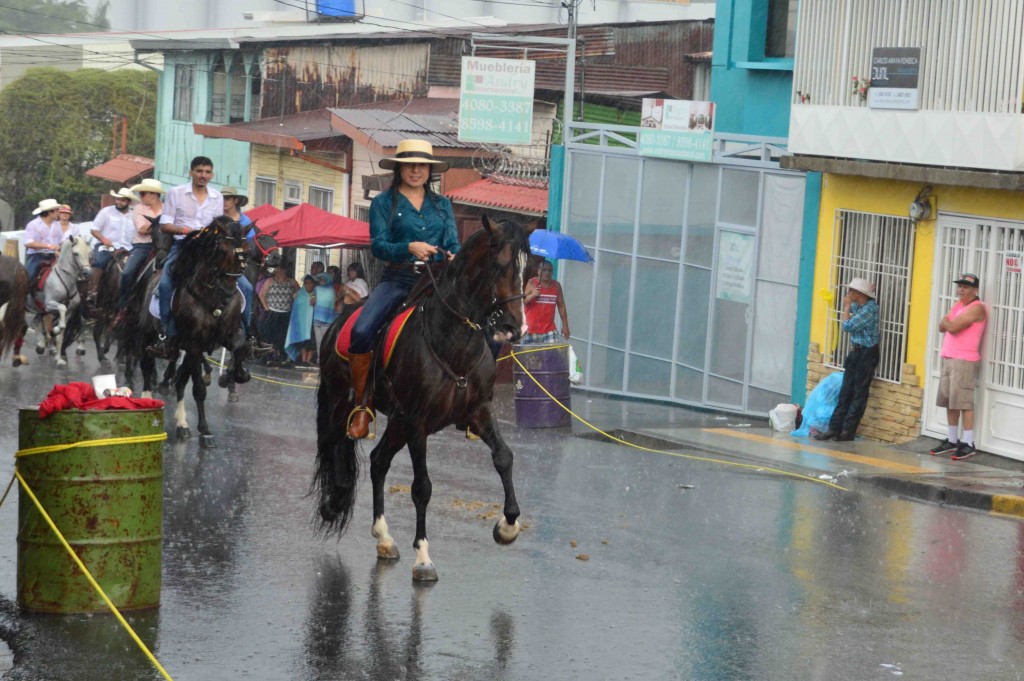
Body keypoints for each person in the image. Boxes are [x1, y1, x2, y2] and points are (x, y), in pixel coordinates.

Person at [346, 138, 459, 439]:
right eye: (410, 165)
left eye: (421, 165)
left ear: (429, 171)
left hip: (437, 281)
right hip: (398, 279)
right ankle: (362, 406)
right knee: (361, 331)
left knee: (480, 324)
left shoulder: (443, 204)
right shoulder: (383, 203)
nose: (416, 170)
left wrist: (452, 255)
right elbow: (379, 246)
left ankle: (472, 404)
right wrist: (408, 246)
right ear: (399, 168)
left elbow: (453, 244)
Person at [147, 156, 223, 358]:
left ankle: (247, 336)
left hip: (209, 249)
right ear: (191, 172)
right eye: (199, 171)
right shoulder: (176, 193)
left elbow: (220, 227)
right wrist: (186, 230)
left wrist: (212, 235)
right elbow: (165, 225)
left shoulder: (217, 197)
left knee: (244, 285)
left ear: (212, 175)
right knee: (165, 284)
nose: (203, 176)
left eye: (207, 172)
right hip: (183, 246)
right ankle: (165, 332)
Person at [814, 277, 880, 442]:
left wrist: (846, 307)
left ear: (860, 293)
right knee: (845, 391)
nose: (849, 293)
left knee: (859, 392)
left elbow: (847, 326)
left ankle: (848, 431)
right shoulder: (861, 305)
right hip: (855, 351)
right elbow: (855, 308)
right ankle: (834, 428)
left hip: (867, 353)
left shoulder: (870, 309)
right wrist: (851, 304)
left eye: (852, 291)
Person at [929, 273, 987, 460]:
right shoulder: (959, 305)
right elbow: (941, 325)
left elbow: (952, 327)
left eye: (966, 287)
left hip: (964, 360)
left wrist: (949, 323)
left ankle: (968, 443)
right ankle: (952, 440)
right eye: (960, 286)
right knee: (949, 401)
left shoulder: (977, 308)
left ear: (975, 289)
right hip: (949, 357)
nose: (961, 289)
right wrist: (948, 323)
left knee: (963, 401)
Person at [221, 186, 271, 354]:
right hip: (217, 264)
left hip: (235, 266)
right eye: (222, 198)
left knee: (248, 289)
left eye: (227, 198)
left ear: (236, 200)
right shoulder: (218, 219)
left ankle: (248, 332)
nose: (224, 202)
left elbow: (250, 247)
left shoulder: (246, 222)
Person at [119, 179, 164, 308]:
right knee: (127, 272)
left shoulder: (168, 208)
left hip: (163, 247)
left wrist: (157, 228)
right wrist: (161, 228)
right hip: (143, 246)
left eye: (143, 193)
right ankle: (124, 304)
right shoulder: (139, 208)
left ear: (153, 195)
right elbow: (142, 229)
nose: (140, 196)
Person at [89, 187, 138, 297]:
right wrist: (104, 240)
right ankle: (93, 291)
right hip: (107, 246)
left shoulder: (134, 215)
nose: (119, 202)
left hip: (128, 249)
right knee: (100, 262)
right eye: (118, 199)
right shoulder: (106, 212)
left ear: (129, 202)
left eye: (123, 200)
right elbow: (94, 229)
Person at [523, 259, 570, 344]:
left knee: (551, 356)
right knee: (528, 356)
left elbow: (561, 306)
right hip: (531, 330)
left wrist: (565, 325)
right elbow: (524, 301)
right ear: (538, 271)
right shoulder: (532, 282)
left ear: (552, 273)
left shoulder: (556, 286)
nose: (547, 272)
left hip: (549, 330)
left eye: (550, 270)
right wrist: (532, 295)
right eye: (544, 270)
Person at [258, 266, 299, 363]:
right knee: (270, 336)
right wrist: (267, 309)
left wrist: (295, 295)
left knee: (283, 336)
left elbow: (298, 291)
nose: (281, 272)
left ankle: (282, 356)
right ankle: (269, 356)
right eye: (279, 270)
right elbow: (262, 295)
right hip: (272, 312)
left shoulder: (292, 282)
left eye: (283, 270)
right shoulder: (270, 281)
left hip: (286, 313)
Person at [22, 198, 63, 284]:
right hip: (37, 256)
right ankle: (26, 295)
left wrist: (59, 250)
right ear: (50, 212)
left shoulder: (57, 225)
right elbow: (28, 243)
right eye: (57, 210)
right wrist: (48, 246)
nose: (59, 212)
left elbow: (60, 241)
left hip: (54, 256)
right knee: (28, 278)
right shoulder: (33, 225)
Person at [285, 274, 318, 366]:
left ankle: (308, 360)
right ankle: (304, 361)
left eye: (311, 283)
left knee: (311, 342)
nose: (308, 285)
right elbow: (296, 310)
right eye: (306, 283)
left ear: (314, 284)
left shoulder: (317, 294)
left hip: (313, 323)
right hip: (302, 324)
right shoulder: (299, 294)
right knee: (303, 342)